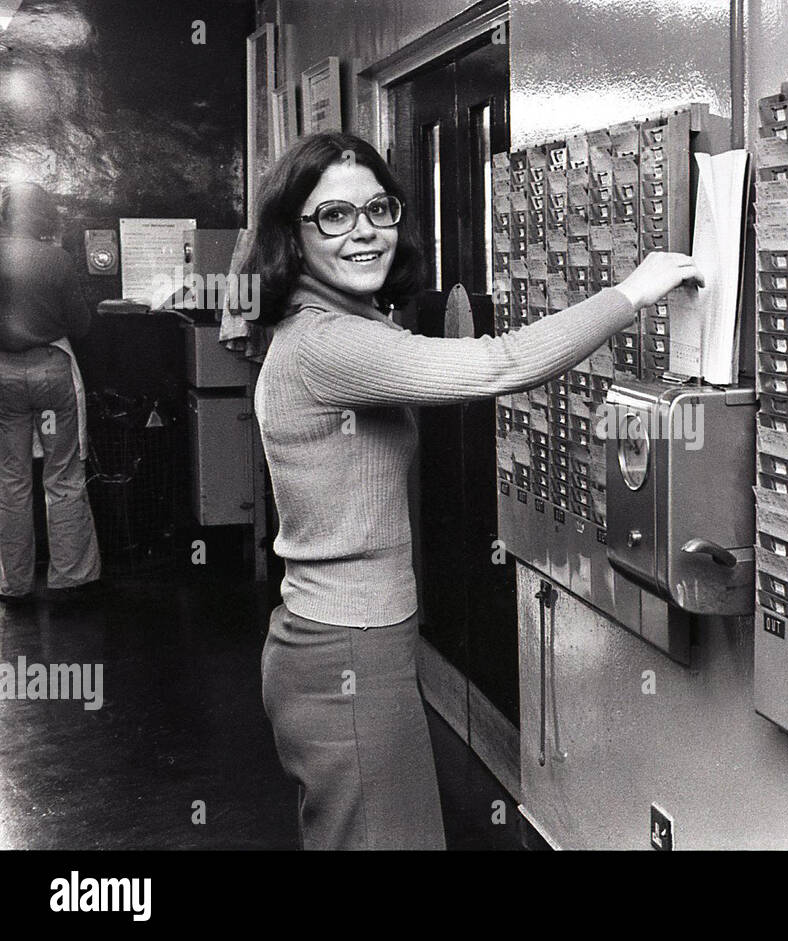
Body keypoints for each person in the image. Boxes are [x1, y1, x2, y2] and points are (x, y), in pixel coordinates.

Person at [244, 132, 701, 849]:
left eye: (378, 208)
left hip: (343, 642)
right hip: (347, 652)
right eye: (333, 215)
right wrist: (631, 293)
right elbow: (500, 364)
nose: (364, 230)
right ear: (292, 236)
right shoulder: (327, 343)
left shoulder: (337, 325)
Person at [0, 182, 102, 605]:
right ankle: (69, 580)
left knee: (10, 480)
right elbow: (81, 326)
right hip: (52, 371)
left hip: (3, 375)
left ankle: (14, 585)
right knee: (62, 475)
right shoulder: (57, 259)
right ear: (43, 214)